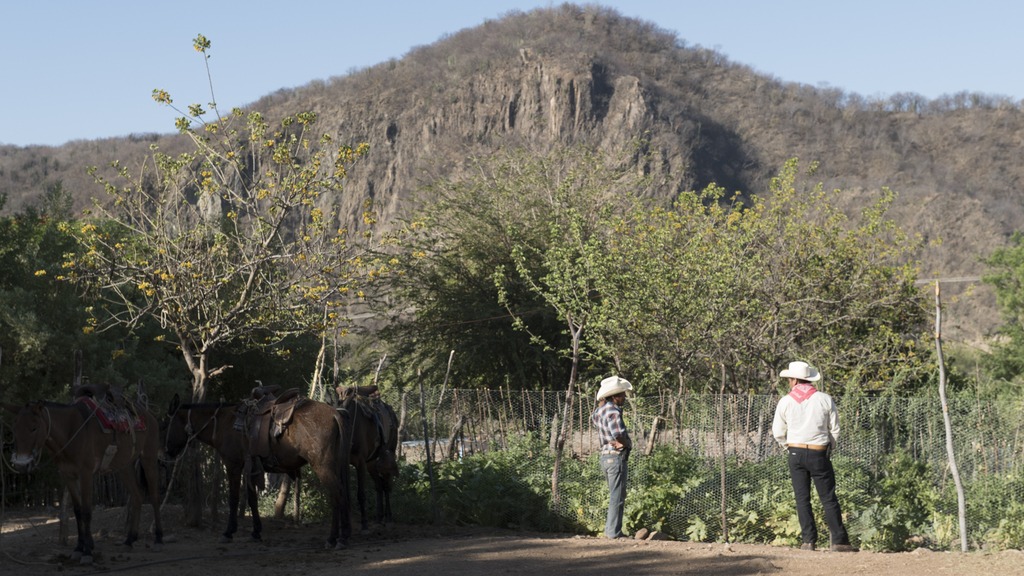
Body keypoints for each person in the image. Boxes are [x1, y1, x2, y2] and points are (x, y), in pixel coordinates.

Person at [771, 361, 857, 552]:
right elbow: (835, 429)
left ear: (793, 380)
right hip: (819, 452)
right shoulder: (824, 399)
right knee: (828, 497)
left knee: (802, 498)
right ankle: (839, 541)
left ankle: (808, 541)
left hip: (795, 452)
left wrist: (788, 446)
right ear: (808, 379)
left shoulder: (785, 401)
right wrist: (829, 447)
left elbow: (778, 431)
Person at [591, 375, 633, 539]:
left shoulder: (599, 411)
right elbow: (618, 433)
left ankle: (611, 531)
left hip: (605, 456)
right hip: (616, 457)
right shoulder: (613, 411)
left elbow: (597, 422)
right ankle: (613, 533)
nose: (624, 397)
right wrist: (626, 443)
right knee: (617, 496)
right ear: (614, 396)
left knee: (614, 494)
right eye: (621, 394)